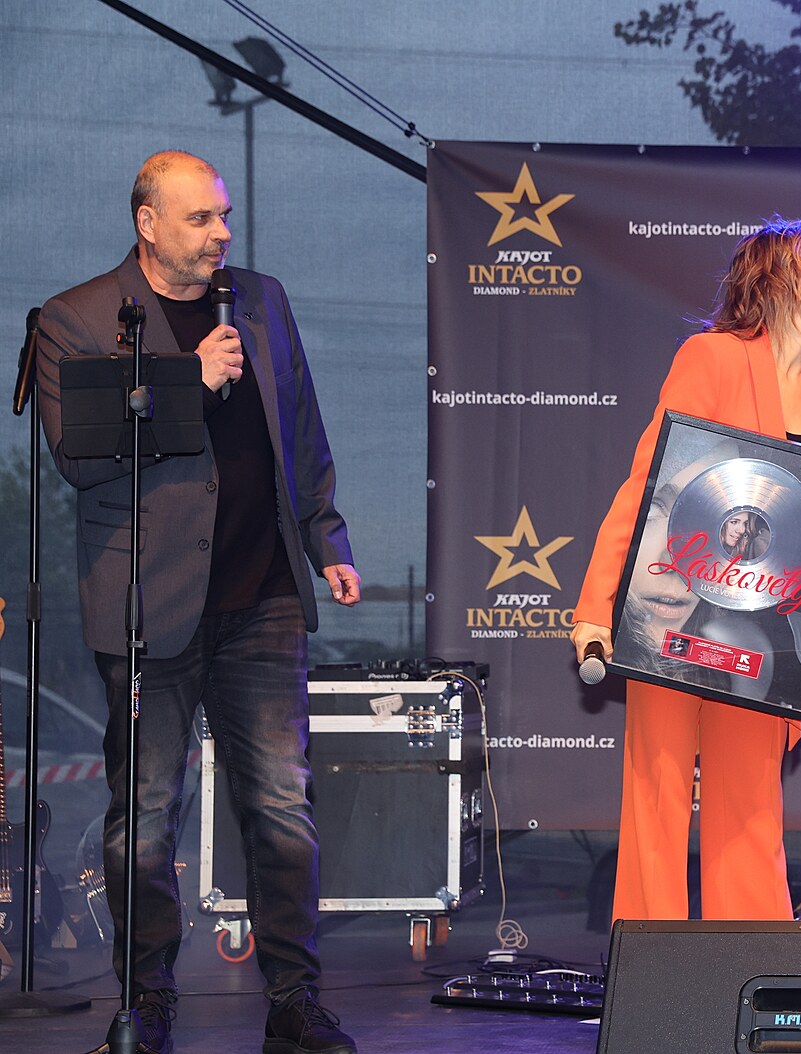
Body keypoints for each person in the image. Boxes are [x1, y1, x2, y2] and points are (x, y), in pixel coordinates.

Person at [35, 151, 360, 1054]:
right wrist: (192, 381)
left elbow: (302, 428)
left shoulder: (261, 300)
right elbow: (79, 455)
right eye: (201, 219)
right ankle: (145, 1004)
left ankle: (295, 1001)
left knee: (282, 809)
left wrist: (326, 539)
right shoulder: (77, 318)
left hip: (265, 596)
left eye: (224, 216)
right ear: (147, 223)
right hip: (149, 606)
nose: (223, 234)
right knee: (144, 818)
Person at [571, 218, 801, 921]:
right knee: (658, 797)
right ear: (778, 275)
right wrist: (597, 608)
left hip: (761, 623)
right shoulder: (711, 357)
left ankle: (750, 963)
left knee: (752, 809)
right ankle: (651, 966)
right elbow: (648, 484)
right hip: (673, 600)